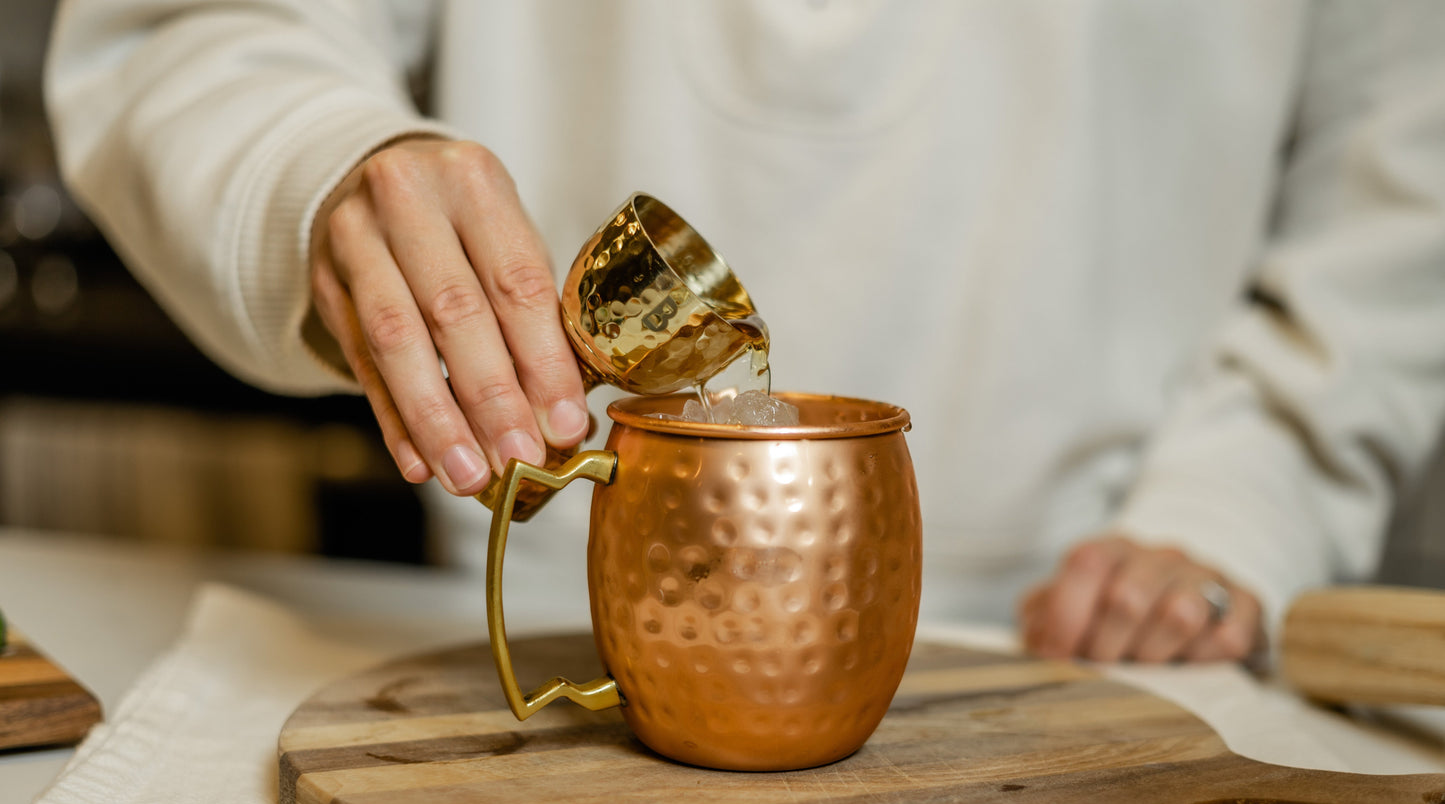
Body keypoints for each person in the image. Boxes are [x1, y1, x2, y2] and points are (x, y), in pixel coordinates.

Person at [44, 0, 1445, 664]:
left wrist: (1245, 494)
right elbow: (195, 26)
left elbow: (1404, 162)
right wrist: (315, 161)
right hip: (537, 630)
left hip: (1105, 637)